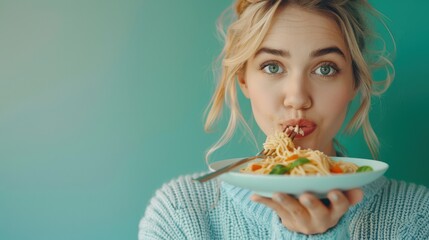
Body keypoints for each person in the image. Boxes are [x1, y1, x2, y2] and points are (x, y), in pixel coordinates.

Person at [139, 0, 429, 239]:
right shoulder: (181, 211)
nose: (298, 98)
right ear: (244, 79)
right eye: (273, 66)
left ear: (354, 82)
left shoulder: (415, 216)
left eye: (325, 69)